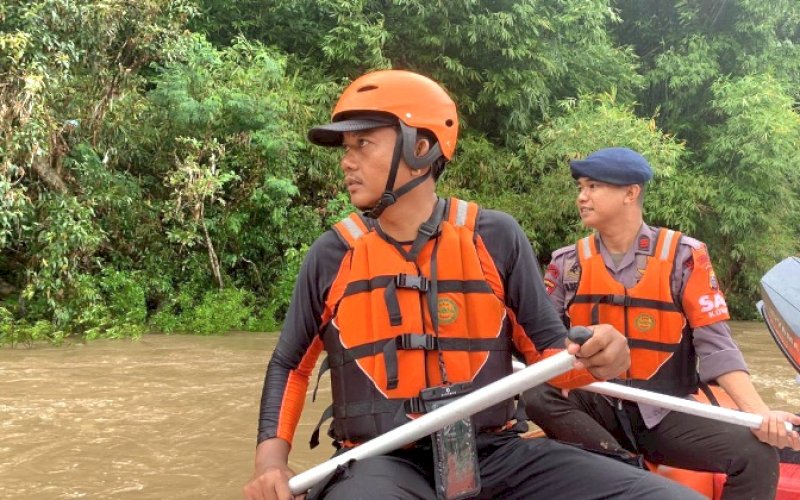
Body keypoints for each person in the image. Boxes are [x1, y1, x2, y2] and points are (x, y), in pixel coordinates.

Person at [244, 71, 702, 500]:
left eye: (364, 143)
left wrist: (602, 359)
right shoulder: (332, 255)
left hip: (494, 453)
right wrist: (271, 460)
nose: (347, 161)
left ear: (420, 148)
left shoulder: (495, 237)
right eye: (345, 147)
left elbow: (551, 357)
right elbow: (291, 364)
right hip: (378, 461)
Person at [524, 147, 800, 499]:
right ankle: (626, 470)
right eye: (580, 187)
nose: (582, 196)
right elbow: (543, 346)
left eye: (593, 186)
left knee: (758, 456)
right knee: (536, 391)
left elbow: (717, 347)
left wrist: (759, 413)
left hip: (665, 414)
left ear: (630, 192)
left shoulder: (685, 257)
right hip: (597, 410)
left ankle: (622, 468)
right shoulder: (566, 265)